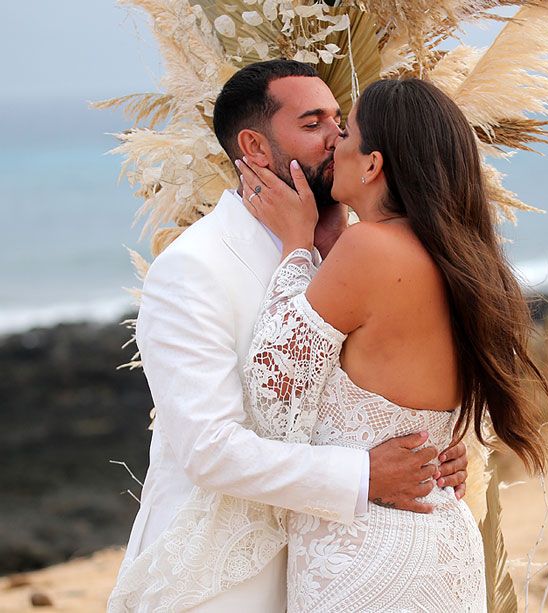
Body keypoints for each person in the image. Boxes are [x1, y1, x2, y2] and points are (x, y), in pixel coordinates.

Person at [108, 61, 469, 612]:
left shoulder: (360, 252)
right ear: (254, 148)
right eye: (313, 123)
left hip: (345, 564)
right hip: (224, 583)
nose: (334, 137)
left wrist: (432, 449)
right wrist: (366, 474)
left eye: (338, 122)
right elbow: (209, 449)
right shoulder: (193, 268)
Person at [236, 77, 548, 611]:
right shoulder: (467, 261)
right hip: (444, 540)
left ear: (373, 164)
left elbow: (272, 403)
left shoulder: (367, 249)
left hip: (369, 551)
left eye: (347, 132)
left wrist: (296, 246)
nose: (333, 141)